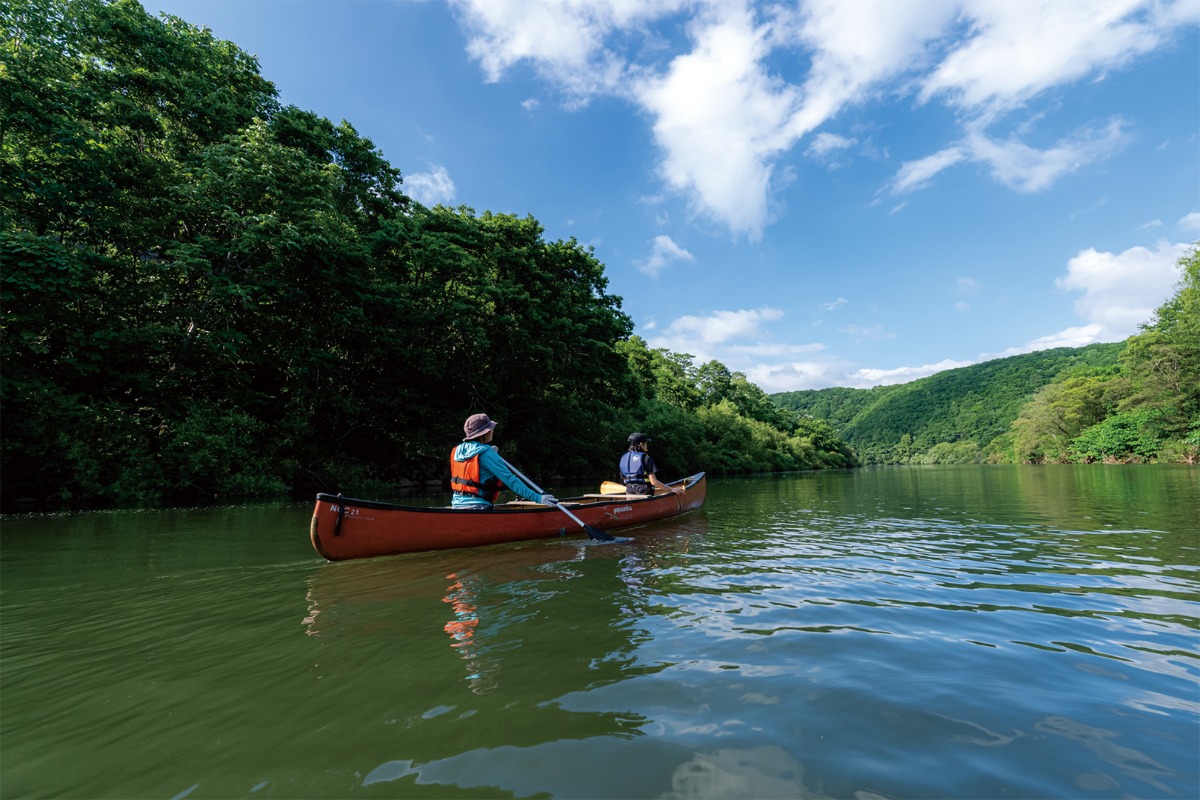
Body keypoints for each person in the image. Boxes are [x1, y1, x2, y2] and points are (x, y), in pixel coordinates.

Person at [450, 413, 557, 509]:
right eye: (490, 429)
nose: (492, 431)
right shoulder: (486, 454)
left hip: (456, 505)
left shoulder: (457, 451)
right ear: (484, 433)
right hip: (479, 506)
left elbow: (475, 455)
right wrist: (538, 498)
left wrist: (489, 452)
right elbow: (511, 481)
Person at [620, 432, 685, 496]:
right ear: (641, 444)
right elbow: (654, 482)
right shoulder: (645, 458)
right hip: (644, 493)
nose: (646, 445)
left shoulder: (623, 458)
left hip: (629, 492)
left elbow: (624, 480)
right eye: (645, 443)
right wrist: (671, 489)